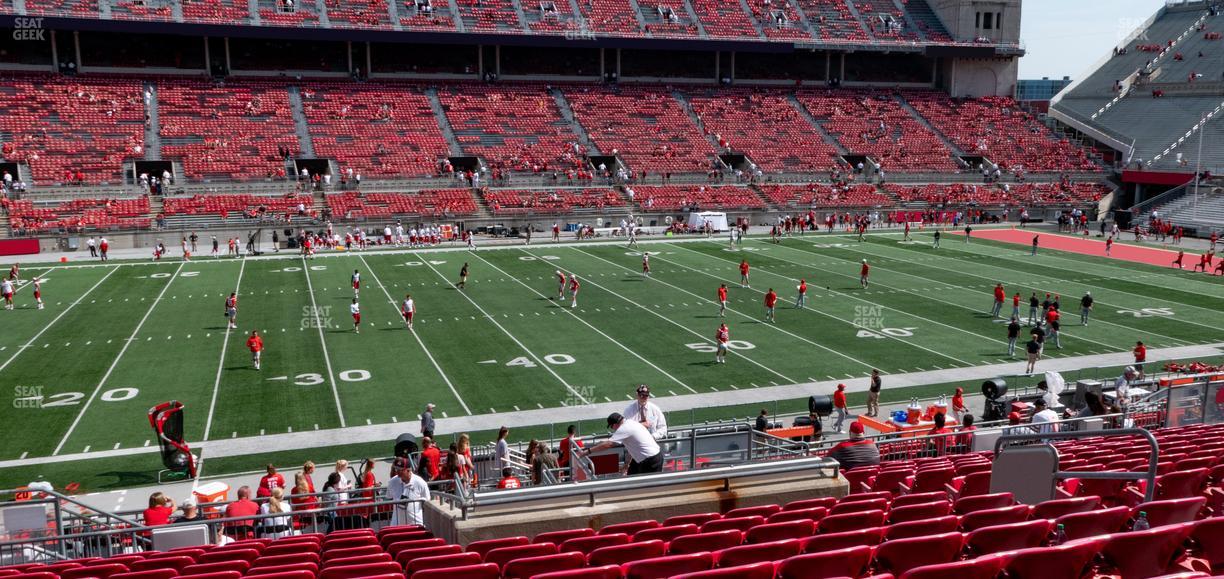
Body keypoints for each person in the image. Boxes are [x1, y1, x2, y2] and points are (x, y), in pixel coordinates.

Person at [583, 412, 664, 476]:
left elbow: (608, 444)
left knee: (648, 487)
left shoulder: (623, 429)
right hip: (649, 457)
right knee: (631, 477)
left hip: (650, 459)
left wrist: (587, 451)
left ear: (614, 424)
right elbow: (632, 450)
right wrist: (626, 465)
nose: (613, 429)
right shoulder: (631, 422)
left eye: (611, 427)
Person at [388, 458, 430, 527]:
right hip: (397, 525)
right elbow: (389, 496)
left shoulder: (420, 482)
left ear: (408, 470)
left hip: (416, 524)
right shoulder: (392, 482)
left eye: (401, 470)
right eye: (396, 469)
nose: (397, 472)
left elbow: (427, 500)